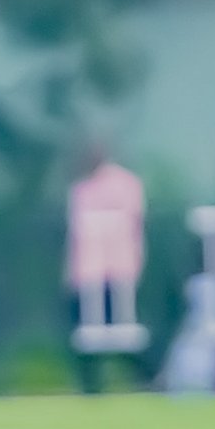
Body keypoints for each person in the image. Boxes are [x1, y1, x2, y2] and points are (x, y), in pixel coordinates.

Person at [65, 145, 147, 394]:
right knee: (88, 330)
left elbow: (134, 224)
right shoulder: (81, 189)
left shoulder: (126, 184)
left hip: (120, 270)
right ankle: (91, 383)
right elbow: (77, 235)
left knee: (124, 328)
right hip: (90, 273)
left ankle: (141, 378)